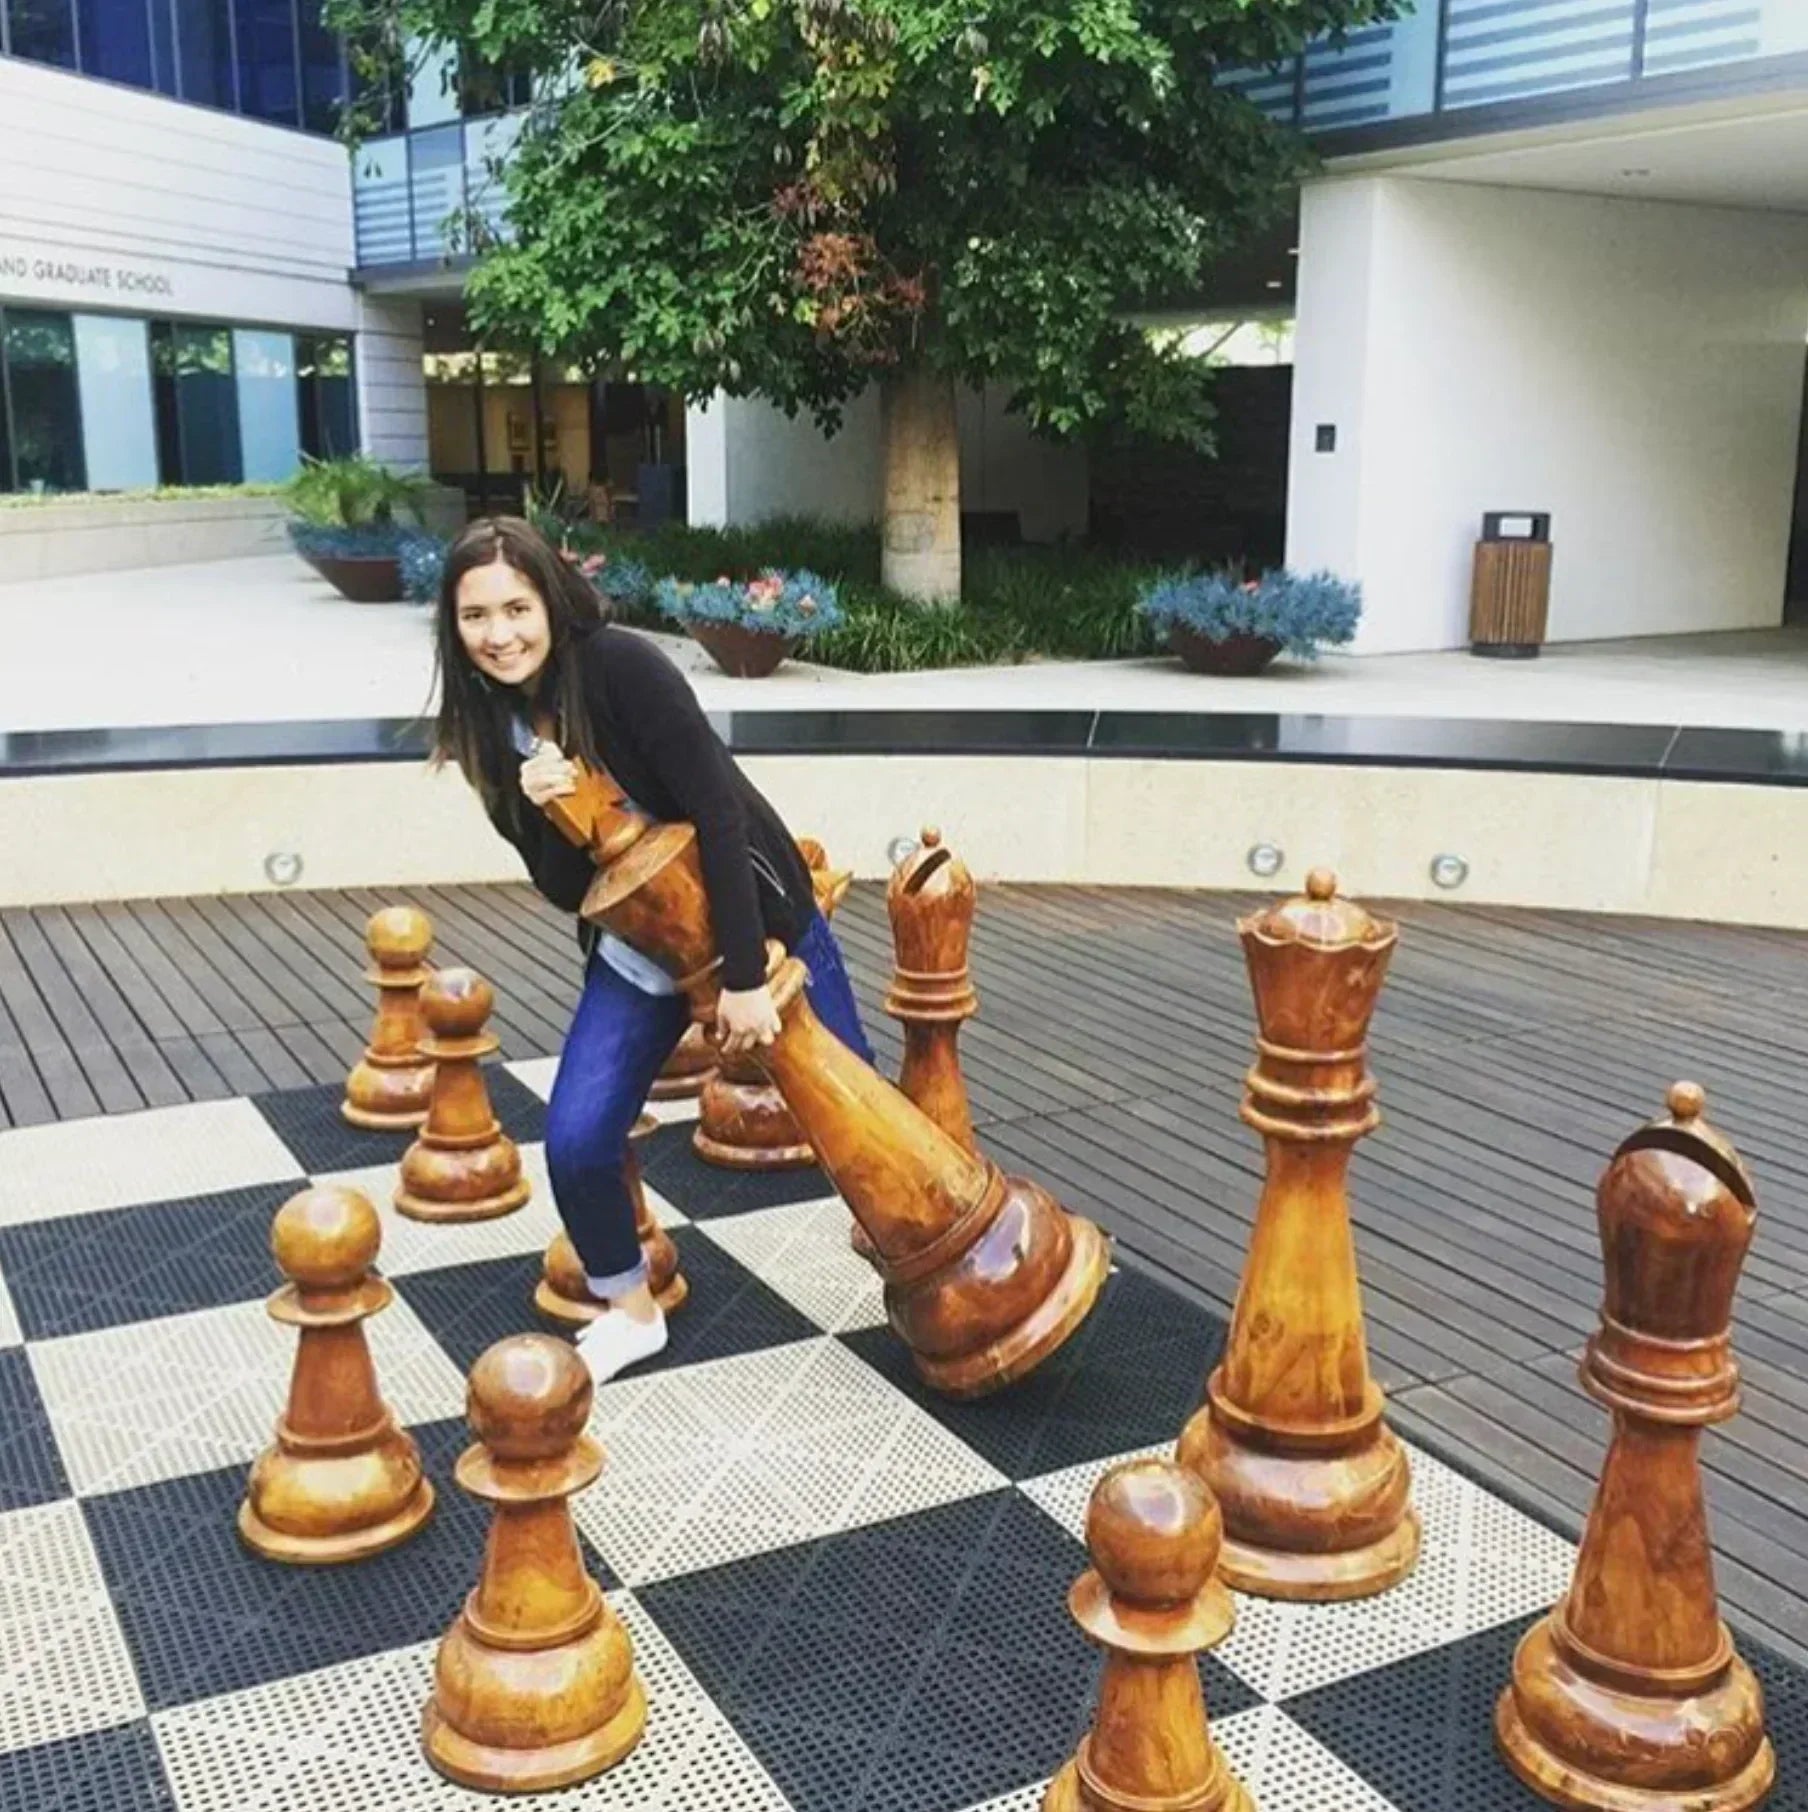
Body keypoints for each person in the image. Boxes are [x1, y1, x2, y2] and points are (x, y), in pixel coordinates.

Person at [432, 516, 876, 1385]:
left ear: (552, 601)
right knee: (578, 1136)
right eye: (476, 616)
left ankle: (944, 1261)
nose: (500, 634)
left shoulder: (621, 666)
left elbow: (717, 807)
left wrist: (746, 980)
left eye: (516, 607)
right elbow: (568, 888)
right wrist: (539, 812)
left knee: (856, 1117)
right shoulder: (490, 727)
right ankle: (630, 1311)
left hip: (756, 917)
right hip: (642, 950)